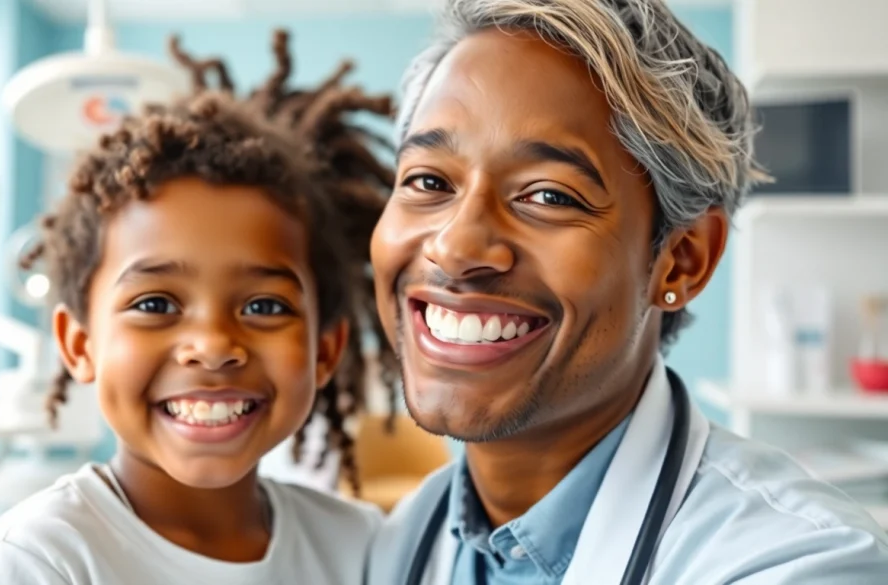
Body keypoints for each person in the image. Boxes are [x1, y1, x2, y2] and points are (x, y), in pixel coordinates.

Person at [365, 1, 888, 584]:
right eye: (428, 181)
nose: (455, 248)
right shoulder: (401, 542)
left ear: (680, 263)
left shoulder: (804, 564)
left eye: (549, 195)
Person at [0, 30, 397, 585]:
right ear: (79, 343)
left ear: (325, 349)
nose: (212, 345)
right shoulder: (38, 561)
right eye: (156, 302)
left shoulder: (365, 548)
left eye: (262, 306)